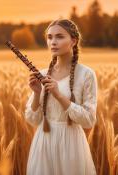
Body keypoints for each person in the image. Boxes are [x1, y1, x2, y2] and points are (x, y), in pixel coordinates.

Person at [24, 19, 98, 175]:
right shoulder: (43, 74)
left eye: (59, 37)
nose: (53, 42)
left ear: (73, 41)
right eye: (49, 37)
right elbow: (32, 119)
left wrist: (59, 95)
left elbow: (89, 120)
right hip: (43, 143)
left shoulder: (86, 75)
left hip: (71, 145)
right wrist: (37, 93)